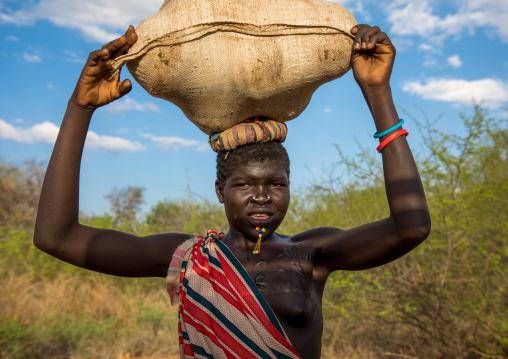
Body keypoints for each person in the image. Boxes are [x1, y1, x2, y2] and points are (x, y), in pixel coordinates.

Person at [34, 24, 431, 359]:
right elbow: (57, 237)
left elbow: (410, 228)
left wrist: (377, 92)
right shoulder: (189, 258)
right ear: (220, 191)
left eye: (276, 184)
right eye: (244, 185)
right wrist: (80, 108)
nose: (262, 196)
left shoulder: (311, 254)